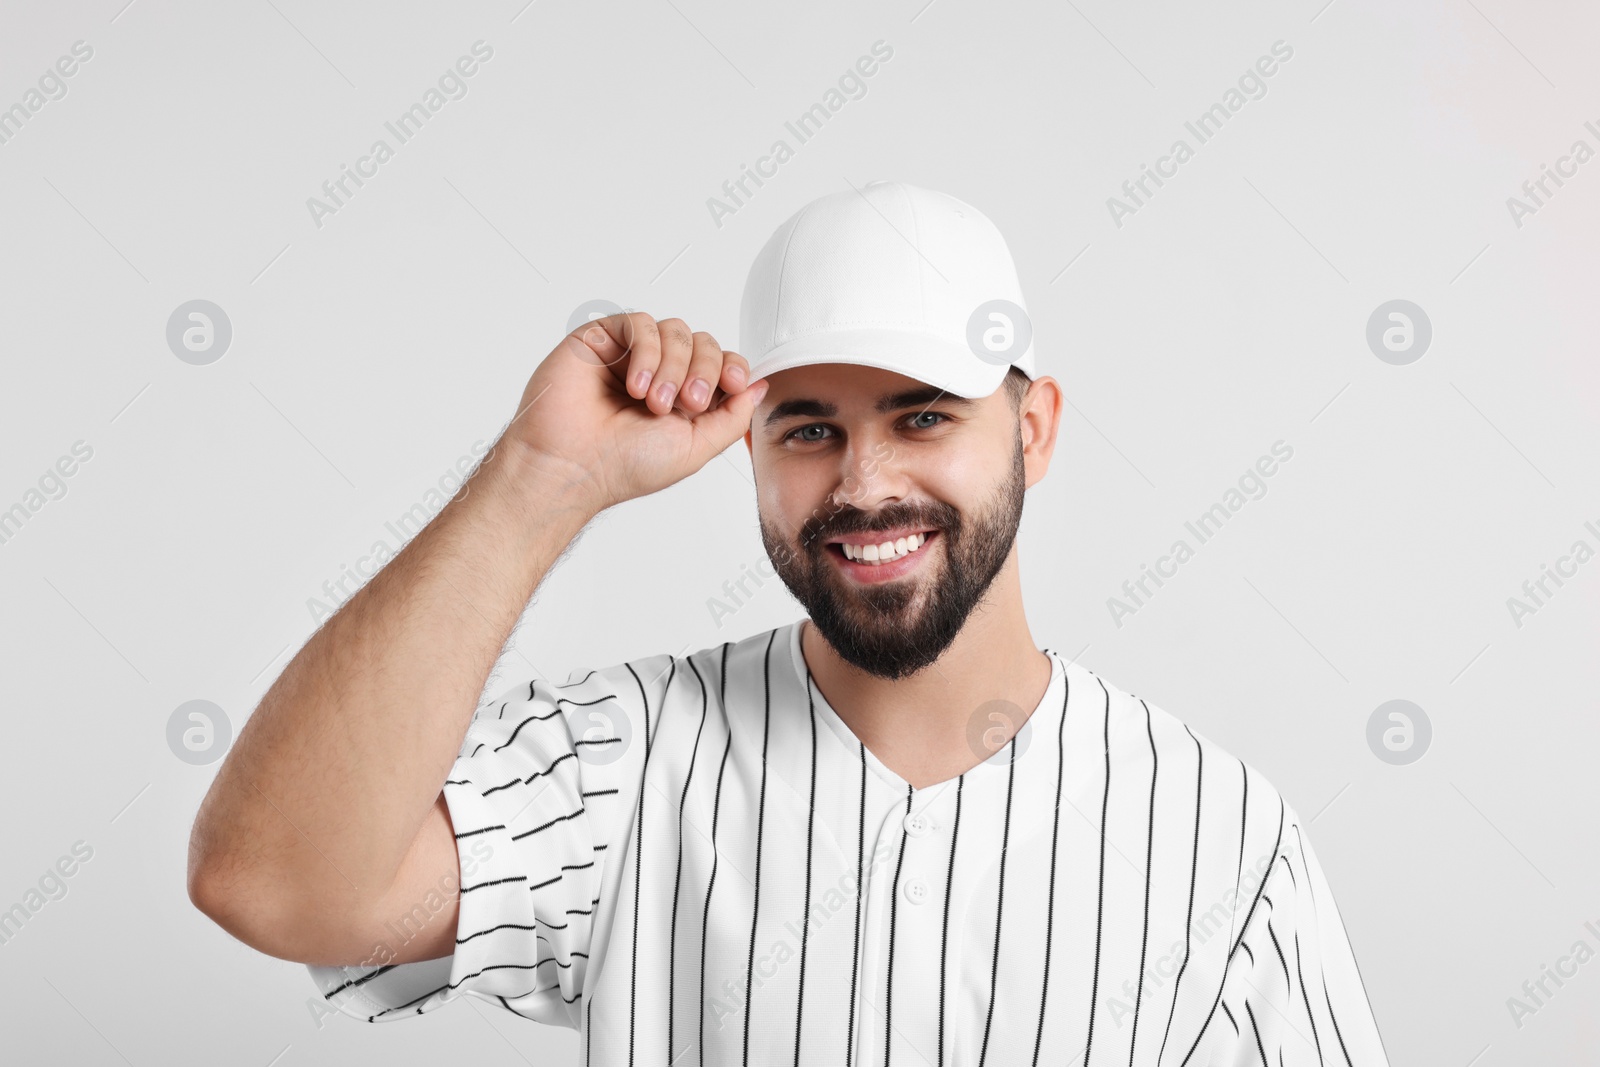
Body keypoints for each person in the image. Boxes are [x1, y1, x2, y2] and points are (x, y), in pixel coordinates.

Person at [187, 181, 1390, 1065]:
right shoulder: (627, 760)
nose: (864, 483)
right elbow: (274, 880)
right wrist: (538, 479)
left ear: (1032, 429)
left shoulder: (1218, 836)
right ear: (749, 449)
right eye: (809, 426)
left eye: (922, 417)